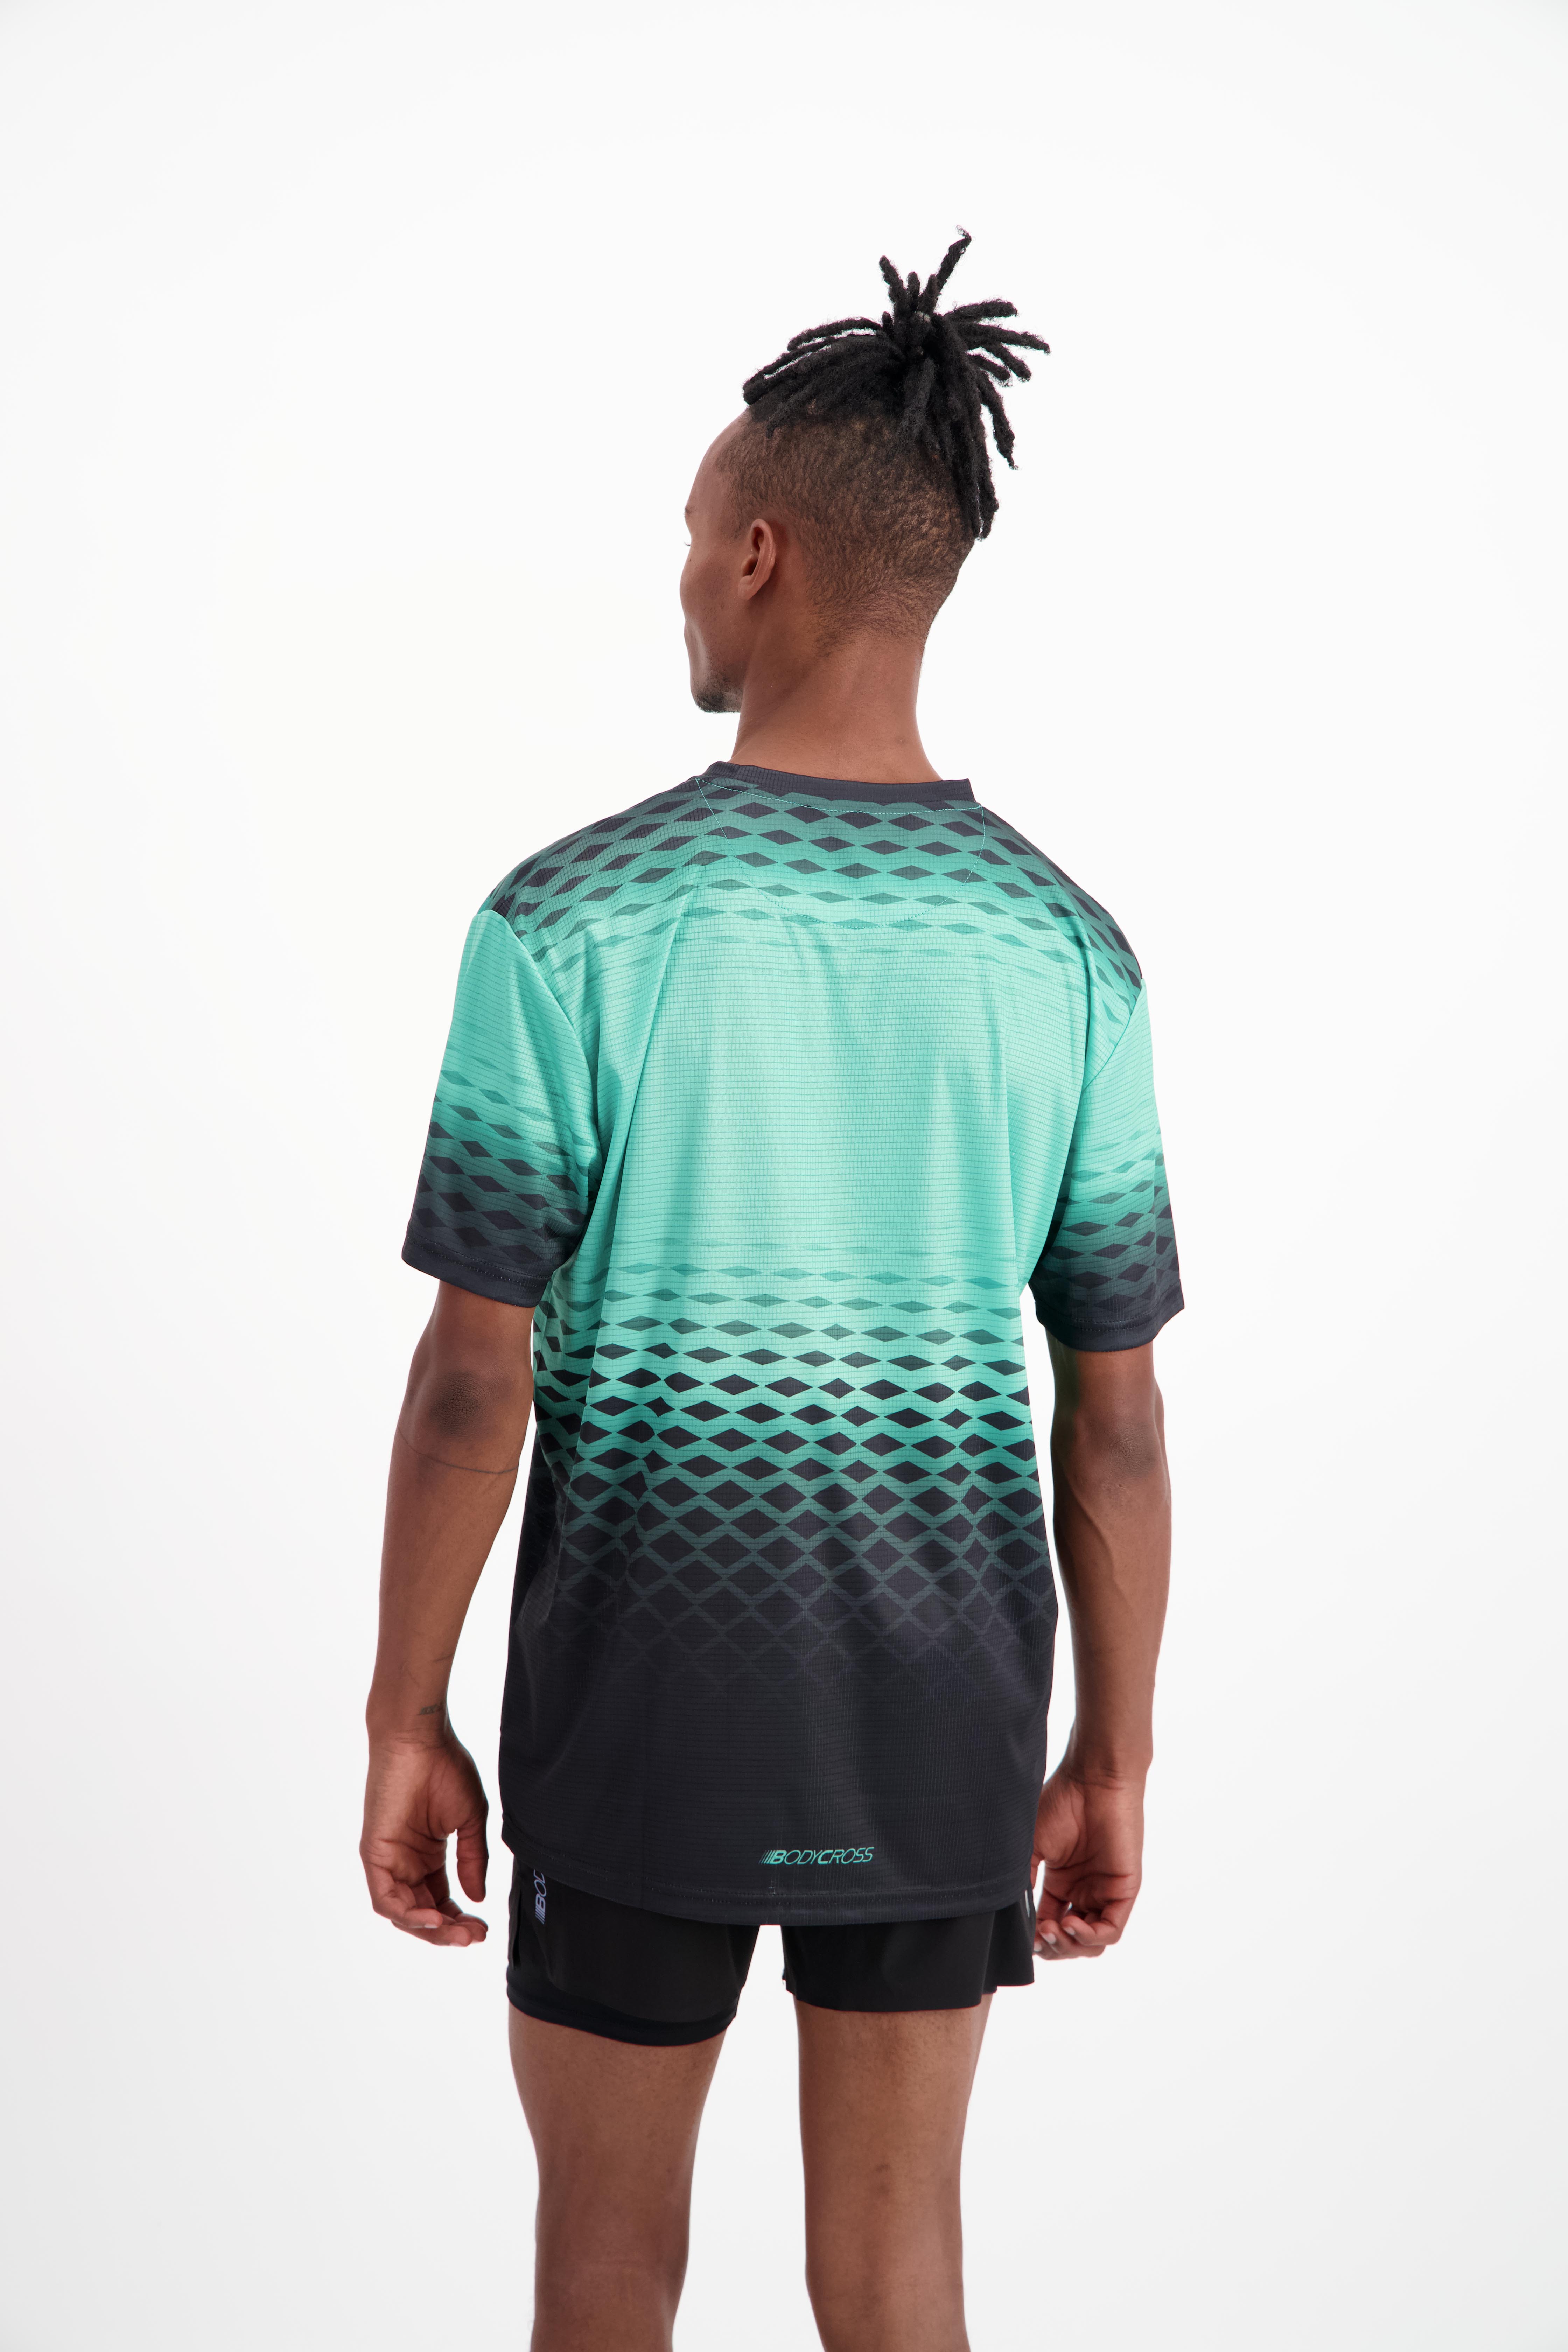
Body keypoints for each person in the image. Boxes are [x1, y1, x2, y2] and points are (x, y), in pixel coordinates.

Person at [361, 233, 1181, 2352]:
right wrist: (1112, 1750)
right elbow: (1113, 1418)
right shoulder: (1068, 953)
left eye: (686, 541)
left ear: (759, 554)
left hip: (639, 1714)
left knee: (604, 2275)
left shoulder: (568, 924)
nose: (678, 583)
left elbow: (470, 1390)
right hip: (942, 1725)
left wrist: (403, 1713)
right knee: (898, 2284)